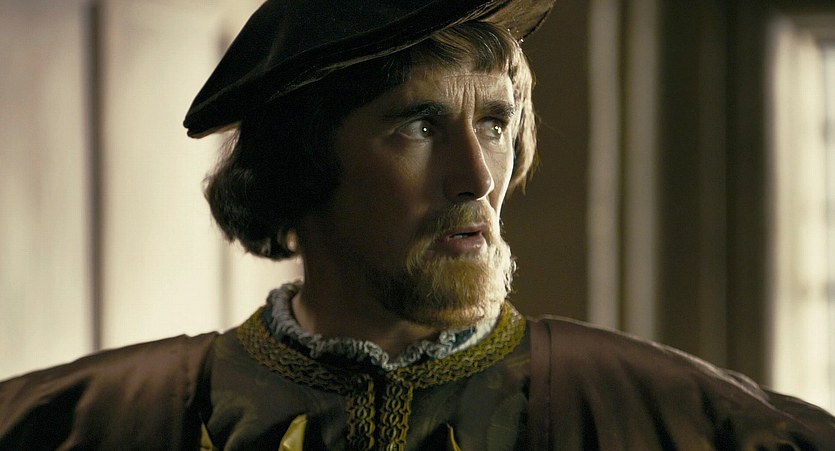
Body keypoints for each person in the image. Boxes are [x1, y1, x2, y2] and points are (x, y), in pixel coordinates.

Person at [1, 0, 834, 449]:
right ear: (301, 163)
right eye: (419, 124)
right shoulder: (95, 420)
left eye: (495, 123)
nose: (478, 176)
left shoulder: (668, 415)